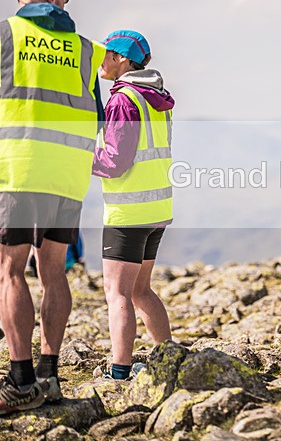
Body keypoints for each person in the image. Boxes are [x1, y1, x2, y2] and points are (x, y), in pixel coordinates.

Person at [0, 0, 105, 412]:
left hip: (20, 169)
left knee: (9, 271)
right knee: (54, 271)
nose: (66, 2)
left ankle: (20, 380)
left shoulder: (6, 35)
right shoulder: (86, 50)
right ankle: (50, 375)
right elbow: (98, 114)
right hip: (69, 174)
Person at [92, 30, 174, 380]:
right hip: (156, 208)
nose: (102, 61)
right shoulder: (155, 98)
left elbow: (116, 160)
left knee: (118, 292)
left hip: (128, 211)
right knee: (141, 290)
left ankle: (120, 372)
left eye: (107, 54)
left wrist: (84, 158)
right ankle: (171, 358)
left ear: (122, 59)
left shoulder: (124, 99)